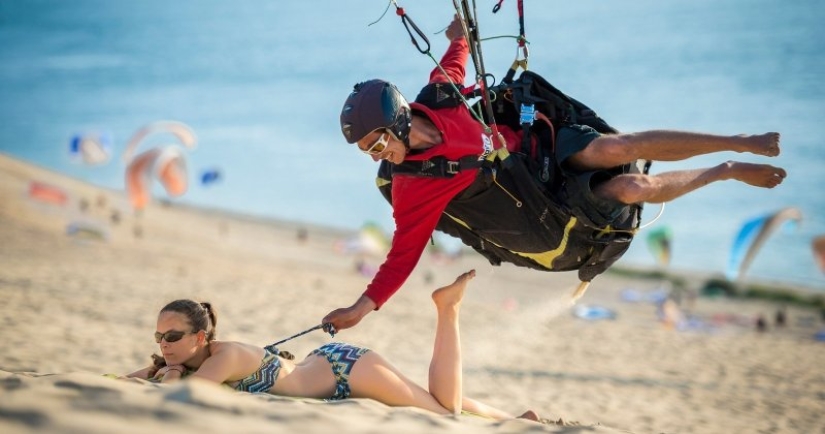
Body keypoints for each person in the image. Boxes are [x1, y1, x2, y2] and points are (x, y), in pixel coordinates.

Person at [324, 15, 786, 332]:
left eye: (377, 142)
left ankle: (738, 141)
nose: (376, 155)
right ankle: (725, 170)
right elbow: (400, 258)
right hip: (540, 204)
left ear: (401, 118)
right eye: (368, 150)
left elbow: (458, 50)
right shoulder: (413, 187)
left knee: (620, 148)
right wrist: (360, 308)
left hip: (542, 150)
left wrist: (457, 33)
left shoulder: (442, 93)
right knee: (632, 186)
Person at [124, 270, 540, 421]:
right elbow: (128, 382)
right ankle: (517, 420)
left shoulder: (223, 355)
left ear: (200, 337)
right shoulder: (190, 358)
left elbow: (186, 394)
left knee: (443, 412)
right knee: (430, 396)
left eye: (172, 337)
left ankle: (446, 310)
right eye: (159, 338)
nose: (165, 345)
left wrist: (172, 371)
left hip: (346, 371)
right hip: (324, 365)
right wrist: (157, 368)